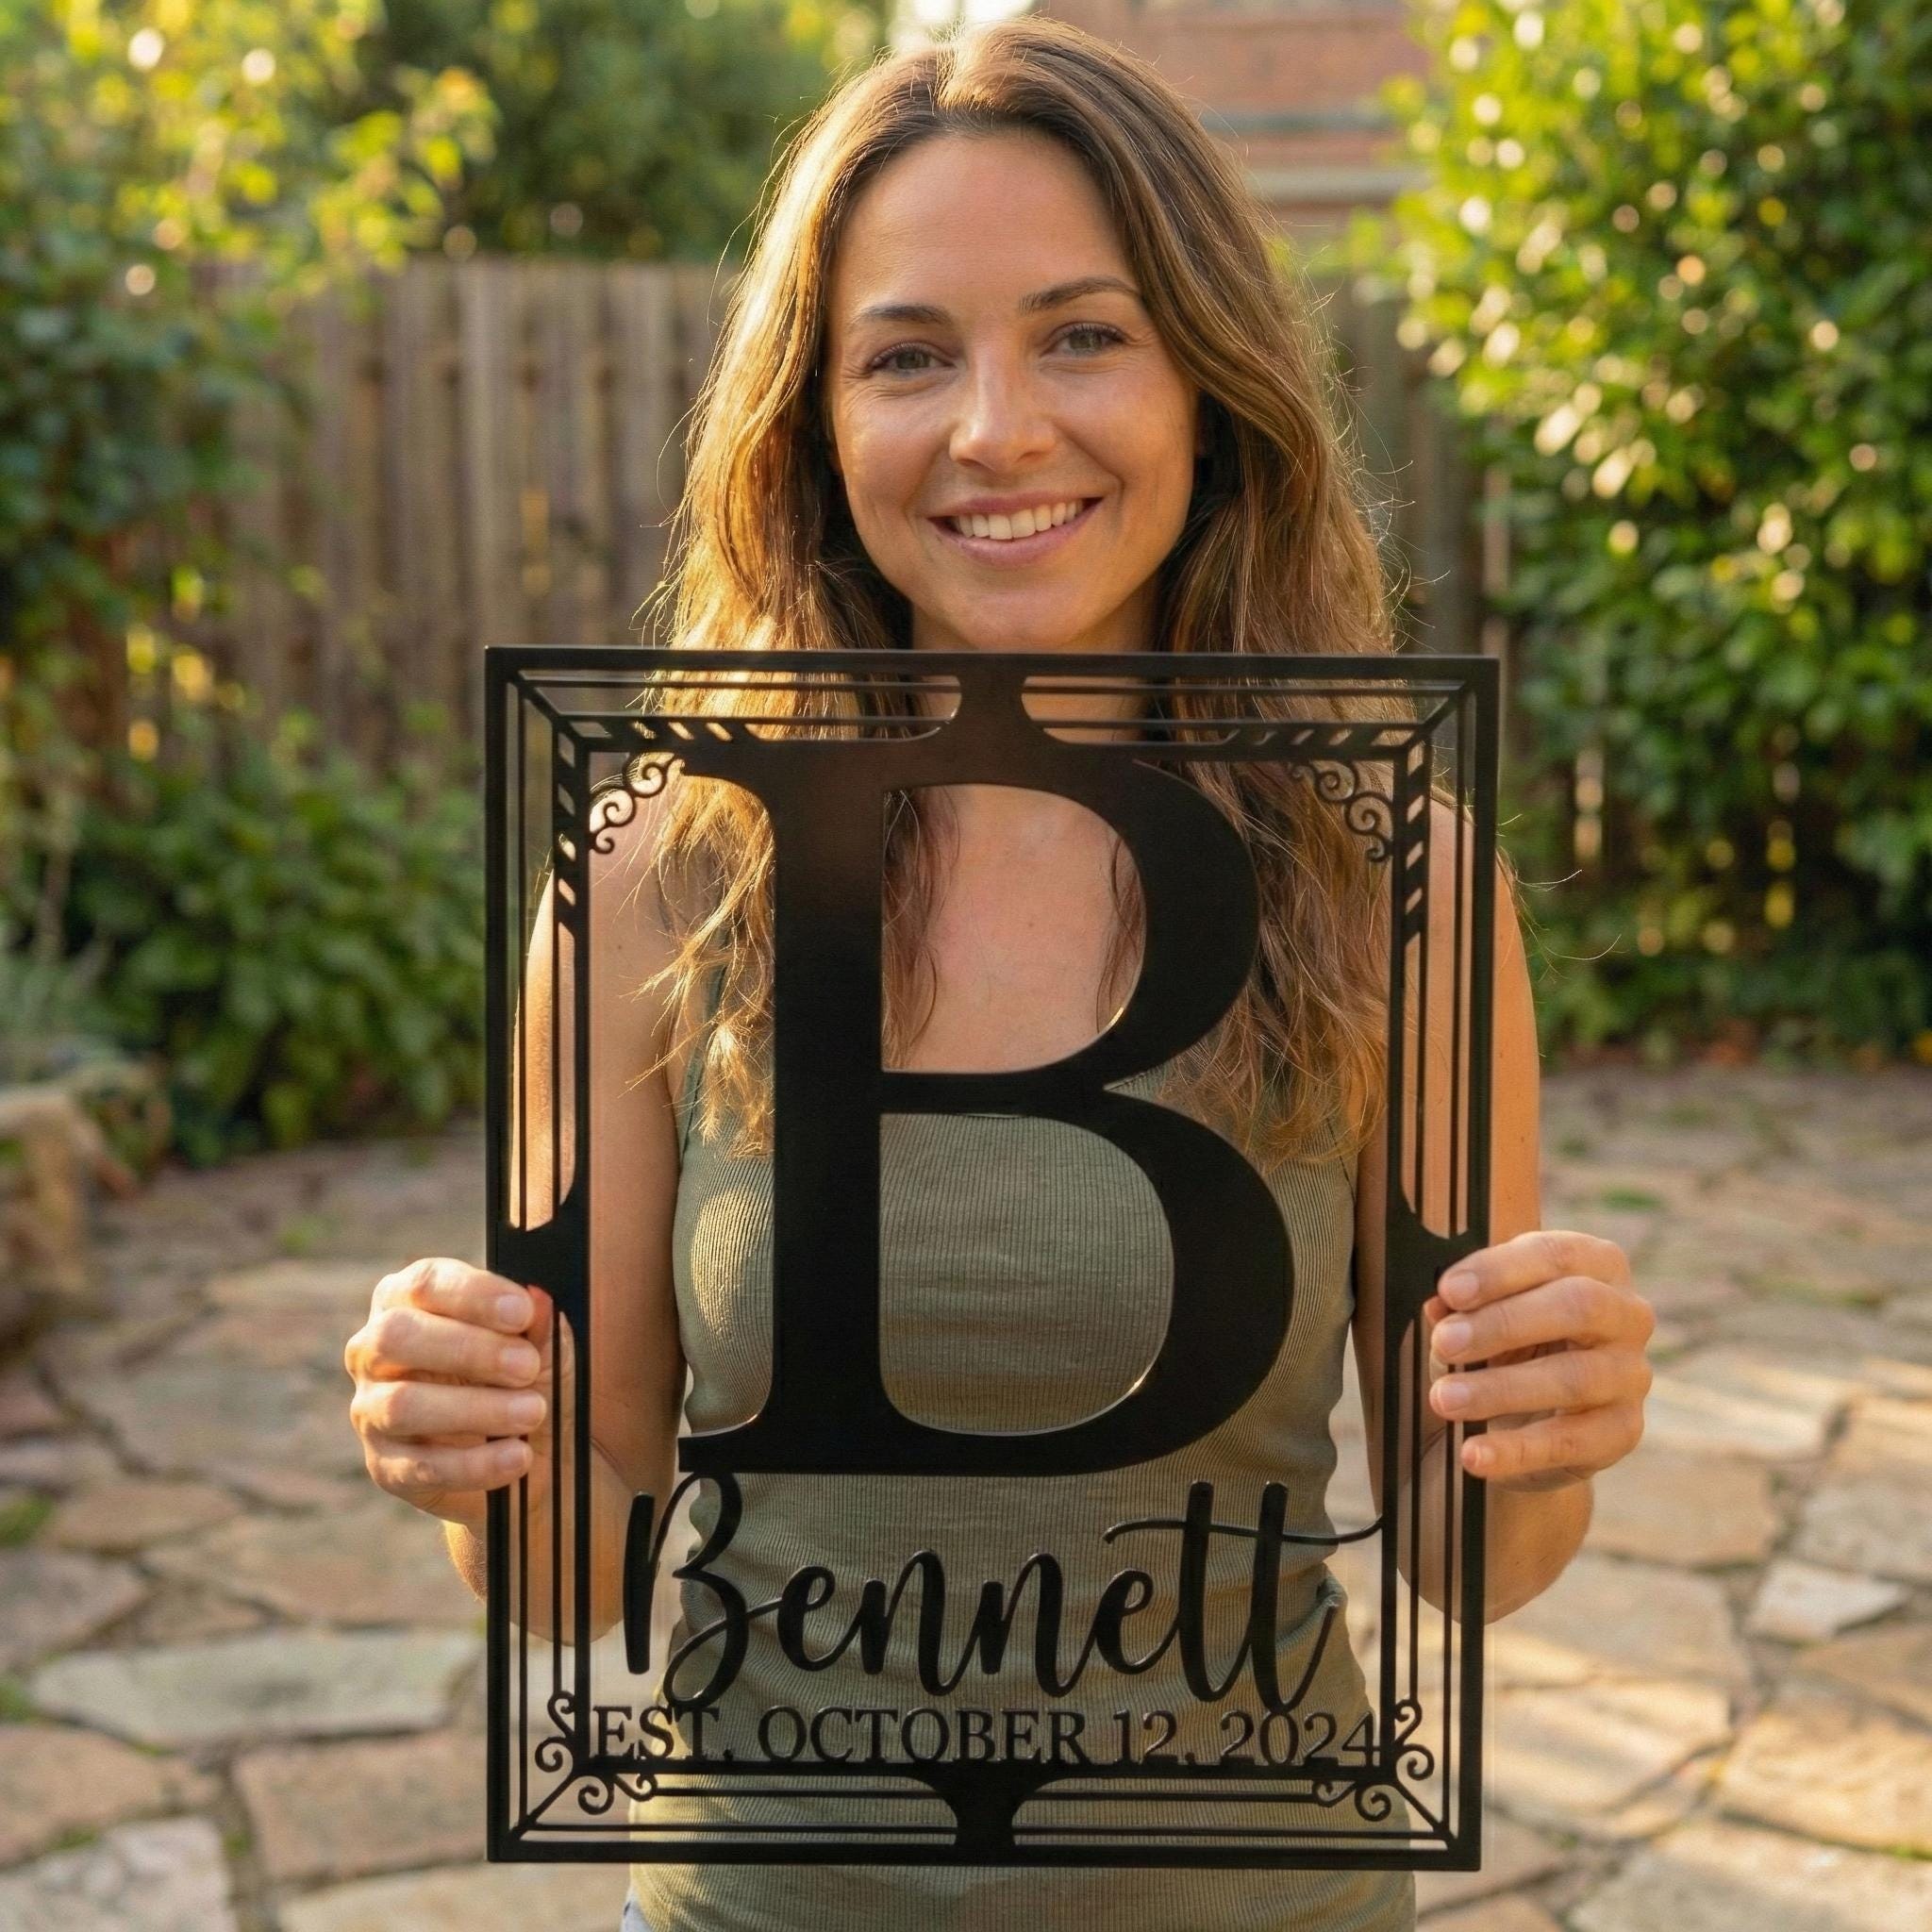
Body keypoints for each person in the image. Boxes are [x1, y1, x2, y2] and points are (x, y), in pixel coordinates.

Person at [344, 17, 1656, 1929]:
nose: (995, 429)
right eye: (906, 356)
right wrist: (480, 1449)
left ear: (1208, 383)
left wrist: (1552, 1425)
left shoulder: (1392, 879)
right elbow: (572, 1575)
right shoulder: (656, 877)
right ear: (812, 422)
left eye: (1082, 334)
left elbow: (1480, 1559)